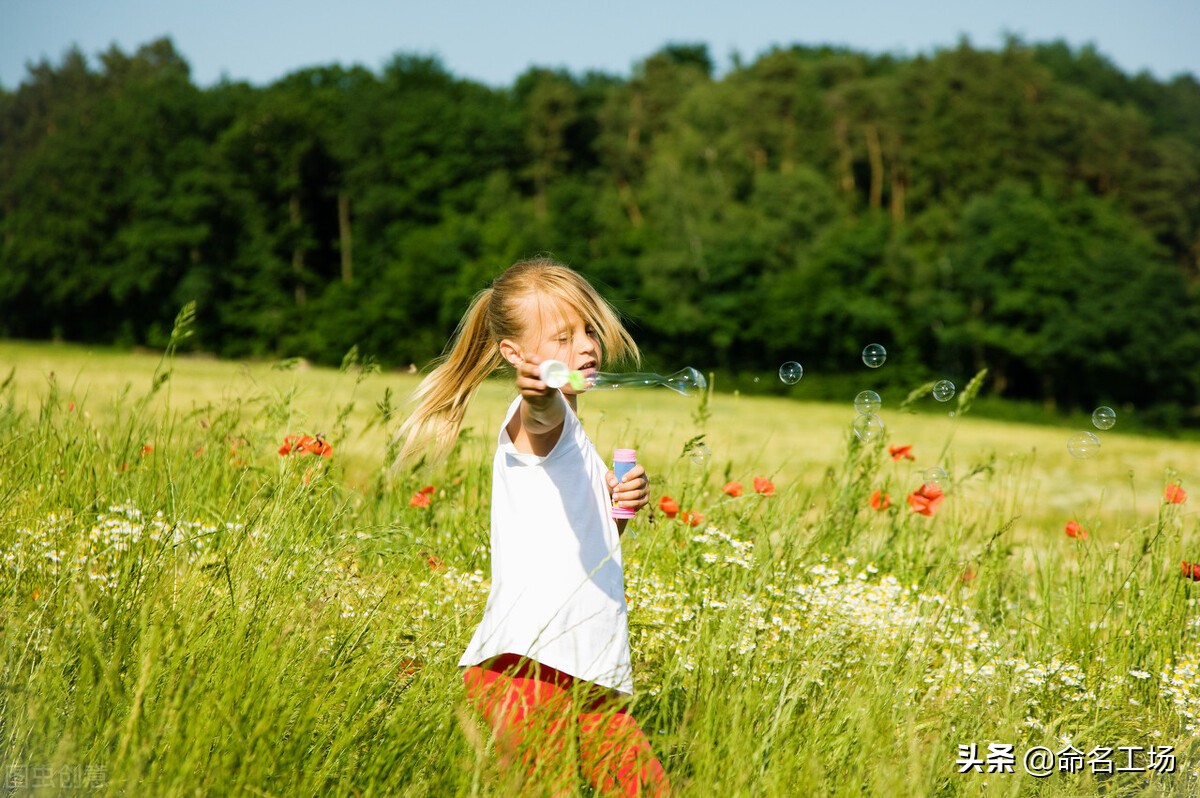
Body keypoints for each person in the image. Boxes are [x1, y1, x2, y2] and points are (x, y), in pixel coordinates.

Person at [393, 257, 670, 796]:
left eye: (588, 330)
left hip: (588, 680)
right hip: (525, 673)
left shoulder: (578, 439)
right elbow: (539, 415)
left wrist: (620, 513)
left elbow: (585, 552)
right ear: (516, 356)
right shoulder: (541, 423)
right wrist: (538, 394)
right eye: (563, 337)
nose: (586, 347)